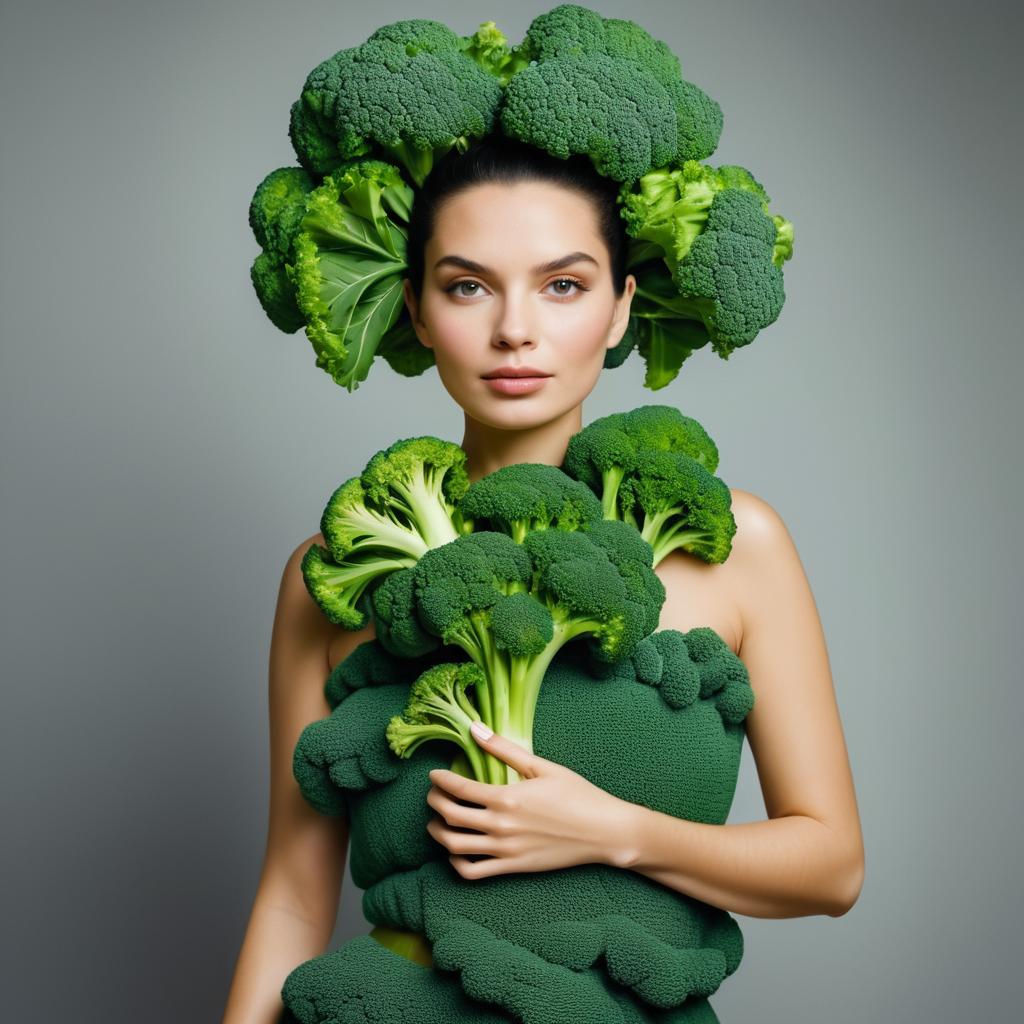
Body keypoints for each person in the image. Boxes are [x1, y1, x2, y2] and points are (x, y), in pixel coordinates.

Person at [222, 134, 864, 1023]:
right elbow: (293, 898)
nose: (514, 327)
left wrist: (617, 833)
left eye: (562, 284)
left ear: (618, 308)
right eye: (467, 285)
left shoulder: (735, 546)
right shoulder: (333, 574)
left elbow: (831, 867)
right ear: (415, 308)